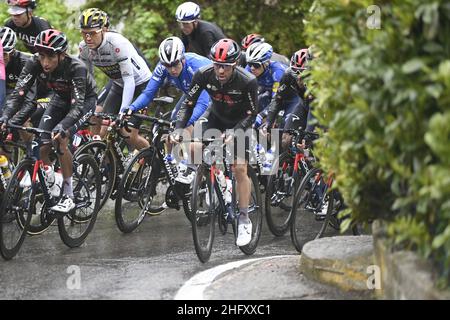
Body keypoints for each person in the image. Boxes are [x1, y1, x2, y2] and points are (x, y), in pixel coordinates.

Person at [0, 29, 97, 213]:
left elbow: (77, 107)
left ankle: (69, 195)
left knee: (60, 138)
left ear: (61, 55)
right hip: (59, 98)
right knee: (41, 143)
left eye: (50, 57)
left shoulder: (76, 67)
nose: (45, 62)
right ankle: (52, 181)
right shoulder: (34, 63)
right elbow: (18, 94)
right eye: (42, 55)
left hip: (84, 103)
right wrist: (5, 117)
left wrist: (62, 127)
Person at [174, 39, 258, 247]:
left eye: (225, 67)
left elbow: (252, 113)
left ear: (235, 64)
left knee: (239, 168)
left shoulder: (247, 81)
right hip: (216, 117)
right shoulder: (203, 74)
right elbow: (188, 104)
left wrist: (236, 132)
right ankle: (218, 179)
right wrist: (178, 128)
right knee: (192, 148)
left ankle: (244, 218)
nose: (220, 71)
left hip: (240, 122)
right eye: (217, 65)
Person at [79, 8, 151, 152]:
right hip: (118, 84)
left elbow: (129, 80)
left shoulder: (117, 44)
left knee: (128, 135)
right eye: (84, 33)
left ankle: (153, 160)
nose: (88, 38)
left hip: (141, 86)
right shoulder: (84, 48)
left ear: (104, 30)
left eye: (92, 33)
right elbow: (88, 79)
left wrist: (123, 112)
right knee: (97, 119)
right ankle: (100, 164)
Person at [263, 48, 312, 151]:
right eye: (295, 72)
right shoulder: (288, 75)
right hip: (303, 105)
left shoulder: (316, 80)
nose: (299, 78)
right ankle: (292, 165)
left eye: (302, 74)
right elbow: (278, 99)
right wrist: (268, 122)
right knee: (285, 139)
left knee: (310, 139)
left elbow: (314, 107)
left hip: (317, 108)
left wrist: (307, 135)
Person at [245, 42, 287, 117]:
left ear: (266, 63)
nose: (252, 68)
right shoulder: (249, 68)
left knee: (278, 119)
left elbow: (276, 100)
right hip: (268, 90)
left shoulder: (277, 72)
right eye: (249, 63)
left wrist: (261, 116)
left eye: (256, 65)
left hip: (288, 94)